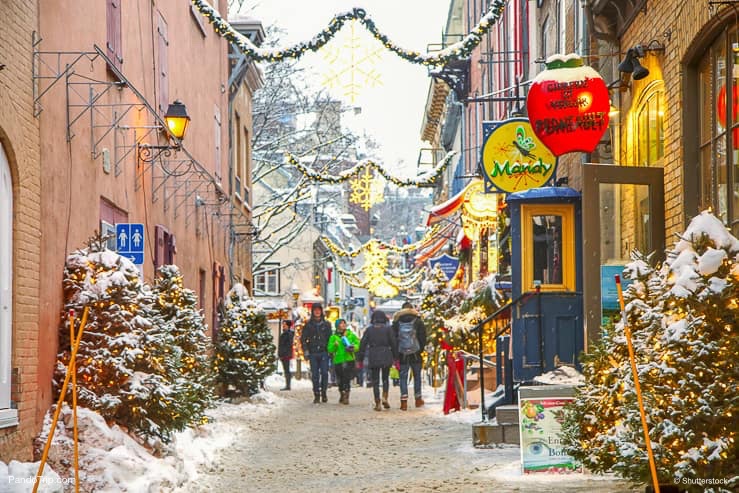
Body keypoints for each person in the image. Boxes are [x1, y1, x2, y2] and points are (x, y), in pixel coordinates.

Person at [358, 310, 397, 411]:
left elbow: (362, 344)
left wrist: (360, 359)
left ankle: (377, 402)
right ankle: (385, 397)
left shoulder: (369, 330)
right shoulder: (388, 329)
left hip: (374, 354)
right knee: (385, 378)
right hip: (385, 354)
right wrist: (396, 357)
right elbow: (393, 343)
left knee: (375, 380)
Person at [392, 301, 427, 410]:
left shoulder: (397, 322)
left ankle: (404, 401)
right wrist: (420, 349)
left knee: (403, 376)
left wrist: (396, 353)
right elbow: (423, 337)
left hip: (402, 353)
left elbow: (394, 339)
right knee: (417, 376)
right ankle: (418, 399)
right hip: (415, 353)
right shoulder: (418, 321)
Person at [301, 303, 332, 403]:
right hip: (313, 352)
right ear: (313, 312)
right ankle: (316, 394)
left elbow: (330, 338)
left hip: (324, 352)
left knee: (324, 373)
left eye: (319, 310)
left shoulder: (326, 324)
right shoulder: (308, 325)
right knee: (315, 374)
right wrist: (306, 350)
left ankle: (323, 392)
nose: (317, 312)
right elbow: (303, 339)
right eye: (315, 310)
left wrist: (330, 350)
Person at [327, 318, 360, 405]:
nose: (343, 325)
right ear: (337, 326)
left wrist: (353, 347)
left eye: (344, 323)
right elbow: (329, 349)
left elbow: (357, 344)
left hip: (349, 359)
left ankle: (346, 395)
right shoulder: (333, 337)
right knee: (340, 379)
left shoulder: (351, 335)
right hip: (338, 360)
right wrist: (334, 345)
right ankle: (342, 392)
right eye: (341, 323)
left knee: (347, 378)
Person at [277, 320, 295, 391]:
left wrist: (283, 353)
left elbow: (286, 345)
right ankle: (287, 385)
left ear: (288, 326)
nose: (283, 325)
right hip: (284, 354)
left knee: (287, 370)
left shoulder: (288, 334)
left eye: (284, 324)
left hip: (286, 354)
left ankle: (288, 385)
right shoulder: (286, 333)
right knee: (286, 370)